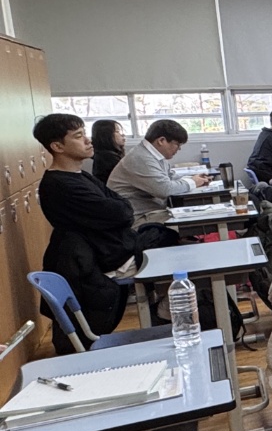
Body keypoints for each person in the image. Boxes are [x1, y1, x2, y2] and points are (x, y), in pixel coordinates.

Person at [32, 114, 175, 344]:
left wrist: (121, 211)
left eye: (85, 134)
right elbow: (122, 212)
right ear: (57, 146)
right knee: (173, 249)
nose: (88, 141)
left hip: (113, 248)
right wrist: (121, 212)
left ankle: (163, 310)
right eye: (79, 136)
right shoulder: (60, 185)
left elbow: (122, 207)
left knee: (169, 238)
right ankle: (164, 313)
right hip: (108, 258)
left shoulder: (80, 176)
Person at [106, 119, 211, 225]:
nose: (179, 149)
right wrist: (193, 182)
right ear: (161, 140)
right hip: (136, 218)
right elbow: (165, 189)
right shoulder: (141, 158)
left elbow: (169, 177)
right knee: (195, 217)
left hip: (150, 212)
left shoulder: (152, 155)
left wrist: (196, 179)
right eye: (177, 144)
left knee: (197, 213)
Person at [90, 118, 126, 185]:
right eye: (118, 132)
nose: (123, 135)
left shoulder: (106, 155)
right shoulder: (107, 158)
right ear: (106, 135)